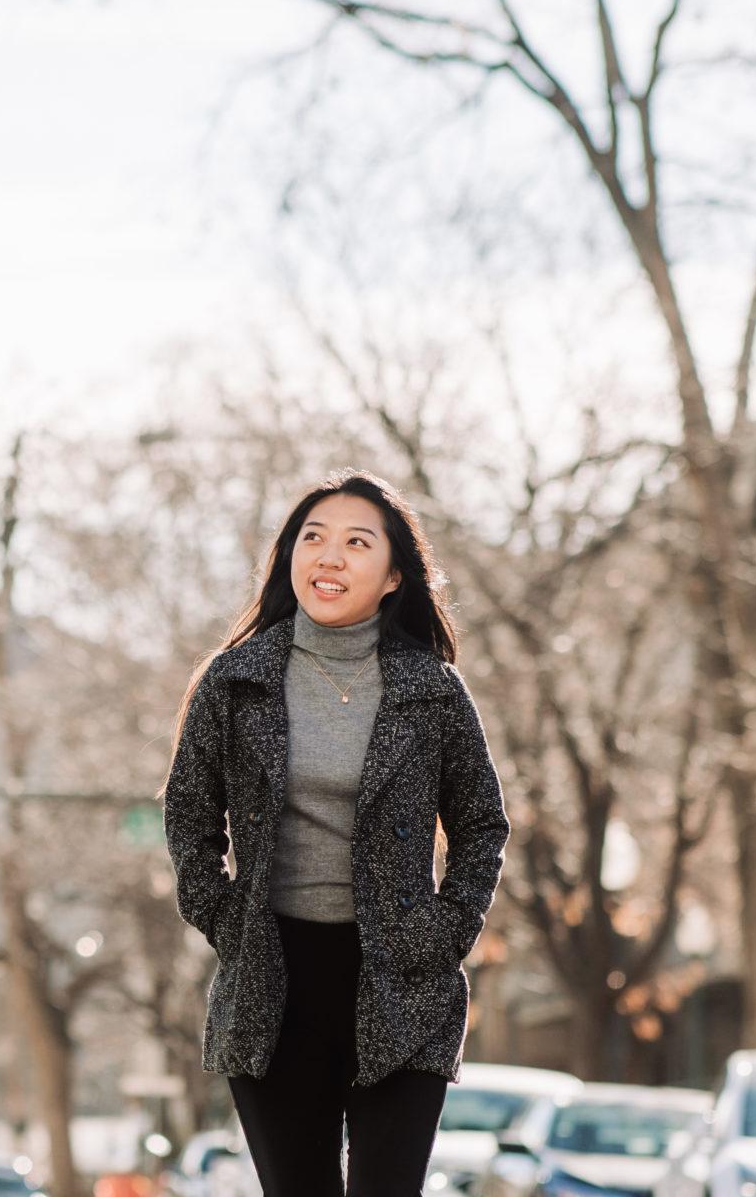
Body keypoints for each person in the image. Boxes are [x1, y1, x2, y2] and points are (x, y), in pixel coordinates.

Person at [162, 469, 510, 1195]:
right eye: (313, 538)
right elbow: (190, 816)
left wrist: (443, 933)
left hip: (400, 982)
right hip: (273, 984)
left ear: (391, 576)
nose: (330, 557)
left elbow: (481, 823)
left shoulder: (432, 689)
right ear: (289, 556)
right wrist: (226, 918)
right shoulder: (236, 682)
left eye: (357, 543)